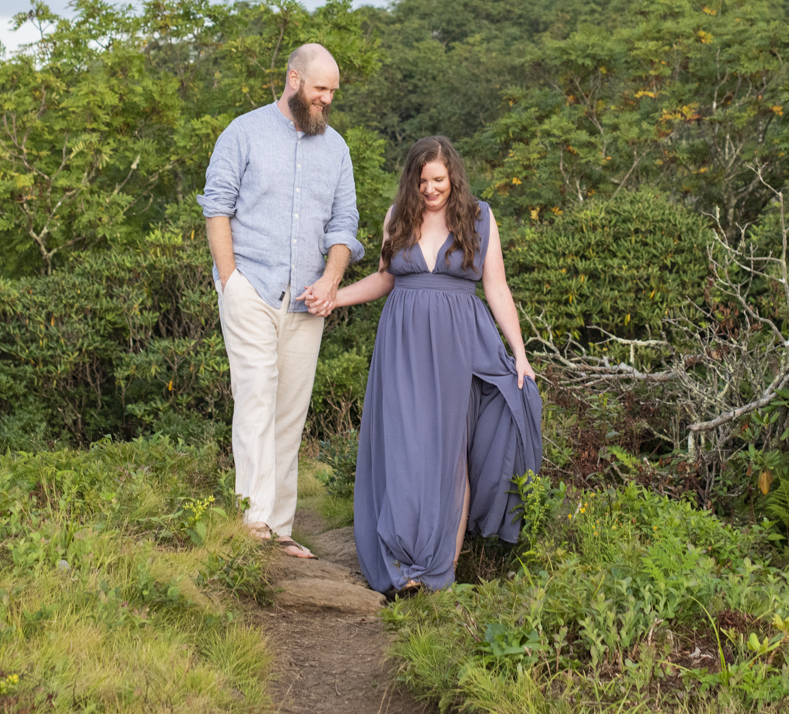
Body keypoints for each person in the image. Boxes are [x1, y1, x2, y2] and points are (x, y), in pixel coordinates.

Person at [318, 135, 543, 594]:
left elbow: (496, 288)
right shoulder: (397, 216)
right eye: (422, 180)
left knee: (450, 452)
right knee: (405, 448)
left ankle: (439, 571)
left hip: (461, 345)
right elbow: (383, 279)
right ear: (412, 180)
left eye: (438, 179)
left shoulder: (479, 217)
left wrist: (519, 353)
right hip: (402, 348)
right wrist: (333, 298)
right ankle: (399, 563)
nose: (430, 189)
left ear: (453, 176)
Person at [198, 42, 363, 560]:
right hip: (251, 288)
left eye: (332, 92)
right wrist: (230, 281)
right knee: (255, 399)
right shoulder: (242, 133)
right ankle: (253, 525)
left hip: (307, 302)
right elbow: (216, 207)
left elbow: (344, 225)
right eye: (320, 89)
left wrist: (333, 278)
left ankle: (281, 528)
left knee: (290, 412)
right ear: (294, 80)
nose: (327, 100)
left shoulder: (336, 148)